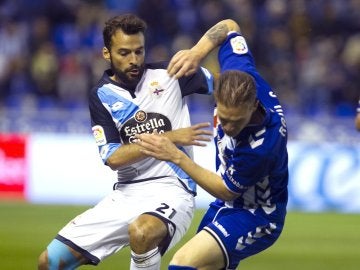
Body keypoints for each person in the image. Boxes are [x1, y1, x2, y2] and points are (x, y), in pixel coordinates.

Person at [37, 13, 214, 270]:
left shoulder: (171, 74)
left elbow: (230, 82)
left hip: (174, 188)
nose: (134, 60)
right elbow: (113, 158)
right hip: (126, 193)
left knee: (142, 232)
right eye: (124, 53)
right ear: (106, 54)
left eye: (138, 51)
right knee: (49, 263)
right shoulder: (101, 96)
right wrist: (171, 137)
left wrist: (197, 52)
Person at [136, 18, 289, 270]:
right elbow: (229, 27)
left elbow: (226, 190)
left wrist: (175, 155)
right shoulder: (240, 75)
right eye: (224, 119)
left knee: (182, 265)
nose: (227, 127)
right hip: (226, 207)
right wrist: (196, 52)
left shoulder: (261, 145)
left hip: (257, 216)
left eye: (236, 122)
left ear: (253, 106)